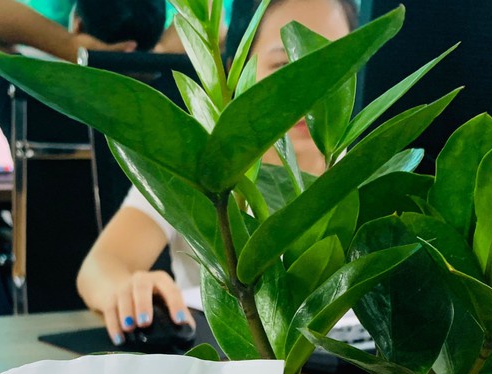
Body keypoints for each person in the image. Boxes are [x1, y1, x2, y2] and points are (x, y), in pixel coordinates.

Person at [76, 0, 358, 346]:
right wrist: (129, 290)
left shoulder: (368, 170)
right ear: (235, 70)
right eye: (283, 65)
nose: (309, 90)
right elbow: (102, 264)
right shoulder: (200, 168)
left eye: (331, 64)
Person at [0, 0, 163, 139]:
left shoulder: (35, 93)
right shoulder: (174, 98)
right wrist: (159, 51)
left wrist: (71, 46)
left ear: (78, 24)